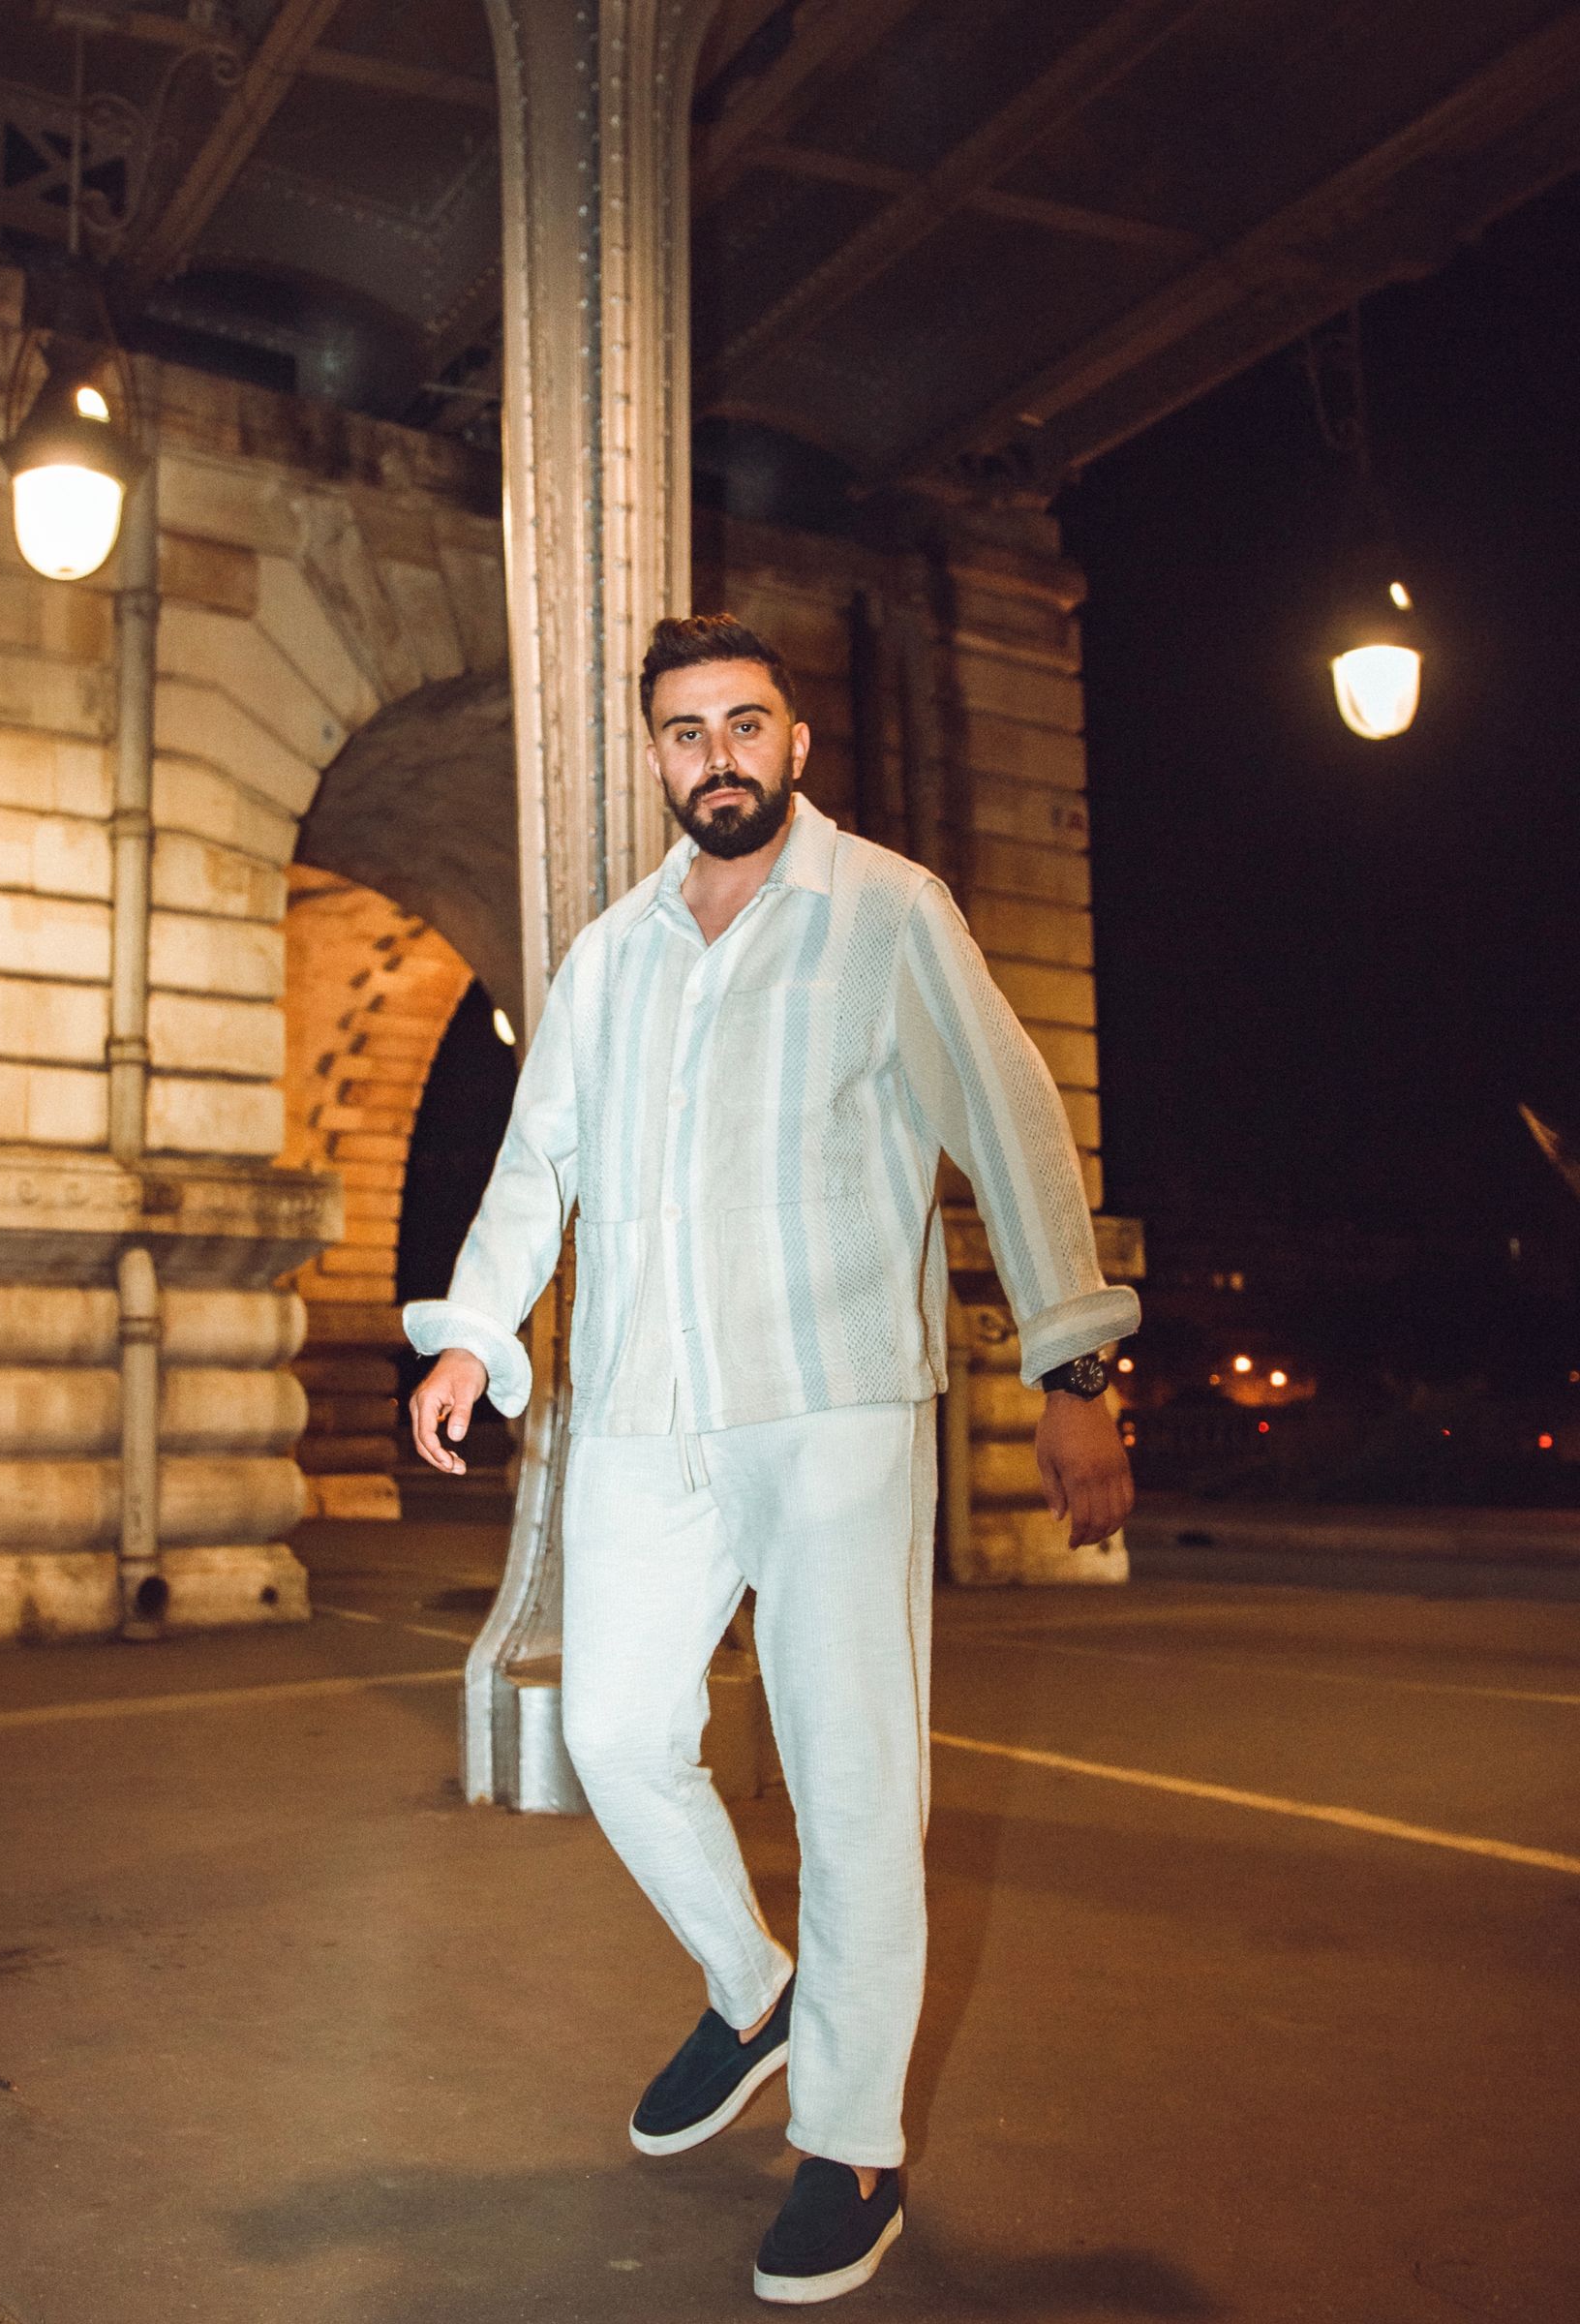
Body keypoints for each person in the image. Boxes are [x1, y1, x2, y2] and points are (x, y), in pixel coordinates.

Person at [406, 613, 1139, 2305]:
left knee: (851, 1778)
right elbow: (537, 1164)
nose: (717, 755)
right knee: (611, 1728)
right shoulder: (610, 957)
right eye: (686, 731)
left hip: (831, 1406)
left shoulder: (888, 912)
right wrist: (473, 1331)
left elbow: (1011, 1122)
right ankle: (756, 1991)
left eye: (745, 724)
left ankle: (852, 2143)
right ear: (657, 758)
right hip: (643, 1405)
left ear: (795, 744)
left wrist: (1073, 1365)